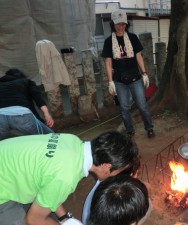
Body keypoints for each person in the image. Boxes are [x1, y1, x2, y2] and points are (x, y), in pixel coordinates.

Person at [0, 131, 139, 225]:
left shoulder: (72, 141)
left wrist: (64, 217)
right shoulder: (65, 178)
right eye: (119, 171)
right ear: (107, 167)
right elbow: (33, 219)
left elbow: (50, 181)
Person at [102, 9, 155, 138]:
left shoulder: (132, 38)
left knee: (142, 106)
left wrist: (144, 73)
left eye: (123, 24)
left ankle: (149, 127)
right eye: (118, 24)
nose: (121, 27)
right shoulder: (109, 41)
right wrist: (110, 82)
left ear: (126, 24)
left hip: (135, 78)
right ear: (113, 24)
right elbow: (108, 63)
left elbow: (139, 57)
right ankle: (130, 130)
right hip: (119, 81)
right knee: (125, 108)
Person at [0, 68, 54, 140]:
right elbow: (38, 97)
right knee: (50, 137)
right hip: (21, 116)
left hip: (1, 117)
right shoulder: (27, 81)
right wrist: (46, 114)